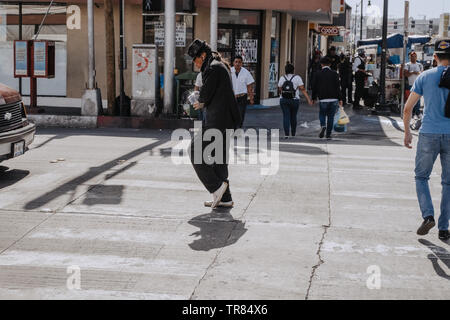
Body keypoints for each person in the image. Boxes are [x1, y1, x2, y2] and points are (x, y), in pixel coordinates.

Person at [403, 39, 450, 241]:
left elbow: (408, 108)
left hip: (429, 133)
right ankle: (443, 227)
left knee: (421, 177)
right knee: (448, 182)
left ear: (435, 57)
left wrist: (407, 131)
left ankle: (428, 215)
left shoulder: (425, 76)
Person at [187, 39, 241, 209]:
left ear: (202, 55)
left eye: (195, 59)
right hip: (225, 120)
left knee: (194, 151)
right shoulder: (218, 65)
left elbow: (204, 96)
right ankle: (225, 198)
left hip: (217, 121)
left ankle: (216, 188)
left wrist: (198, 100)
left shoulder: (212, 68)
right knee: (219, 159)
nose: (195, 63)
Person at [278, 63, 313, 138]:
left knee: (286, 116)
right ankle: (293, 134)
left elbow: (280, 89)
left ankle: (286, 134)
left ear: (285, 70)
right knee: (293, 116)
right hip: (294, 100)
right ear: (293, 70)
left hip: (284, 100)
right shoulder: (297, 78)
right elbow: (302, 89)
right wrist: (308, 99)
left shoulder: (282, 78)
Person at [312, 57, 343, 140]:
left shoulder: (318, 74)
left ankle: (323, 125)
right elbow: (338, 87)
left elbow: (314, 87)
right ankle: (328, 134)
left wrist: (313, 98)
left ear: (321, 64)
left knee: (322, 114)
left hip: (323, 98)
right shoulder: (335, 74)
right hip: (333, 99)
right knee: (331, 117)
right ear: (330, 64)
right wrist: (340, 99)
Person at [230, 55, 255, 127]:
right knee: (232, 115)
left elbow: (249, 86)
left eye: (239, 62)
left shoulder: (246, 72)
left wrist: (251, 98)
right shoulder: (229, 71)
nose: (237, 64)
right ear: (233, 63)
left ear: (242, 63)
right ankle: (234, 129)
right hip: (232, 97)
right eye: (236, 62)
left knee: (240, 115)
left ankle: (238, 129)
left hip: (242, 98)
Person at [404, 51, 424, 119]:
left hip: (418, 83)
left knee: (418, 99)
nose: (413, 57)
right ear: (410, 57)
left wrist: (418, 73)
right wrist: (413, 72)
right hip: (410, 84)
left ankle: (417, 112)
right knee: (411, 99)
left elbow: (422, 74)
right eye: (412, 56)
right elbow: (406, 74)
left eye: (415, 56)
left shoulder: (420, 65)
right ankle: (414, 113)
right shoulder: (407, 65)